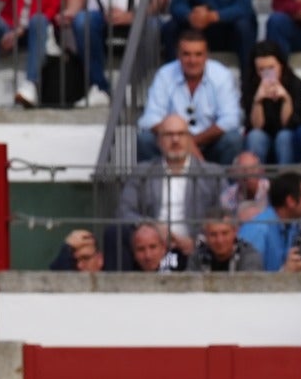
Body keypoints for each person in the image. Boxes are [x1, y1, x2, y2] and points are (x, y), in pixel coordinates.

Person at [116, 114, 224, 265]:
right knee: (114, 233)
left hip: (196, 246)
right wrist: (153, 226)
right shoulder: (142, 173)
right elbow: (124, 211)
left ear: (189, 139)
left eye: (181, 134)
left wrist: (197, 241)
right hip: (152, 246)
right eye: (169, 135)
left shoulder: (212, 174)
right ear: (159, 141)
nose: (175, 140)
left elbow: (225, 216)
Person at [66, 0, 173, 105]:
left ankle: (136, 87)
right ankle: (100, 87)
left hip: (143, 17)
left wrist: (132, 16)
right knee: (82, 21)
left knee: (153, 26)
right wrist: (70, 12)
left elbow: (159, 0)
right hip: (103, 16)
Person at [138, 28, 244, 166]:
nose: (192, 60)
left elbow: (230, 119)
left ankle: (223, 181)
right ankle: (155, 181)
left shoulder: (222, 75)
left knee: (233, 139)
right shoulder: (164, 75)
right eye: (186, 54)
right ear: (178, 55)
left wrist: (190, 142)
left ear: (207, 56)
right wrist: (181, 139)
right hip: (173, 142)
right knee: (145, 140)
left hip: (210, 142)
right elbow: (150, 119)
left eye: (198, 54)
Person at [163, 0, 257, 72]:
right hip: (197, 27)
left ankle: (247, 78)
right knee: (171, 28)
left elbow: (243, 6)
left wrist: (213, 16)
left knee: (244, 27)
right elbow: (177, 4)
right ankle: (172, 77)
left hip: (228, 28)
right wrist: (190, 15)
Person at [242, 40, 301, 166]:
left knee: (284, 136)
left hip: (287, 135)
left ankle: (285, 177)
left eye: (271, 68)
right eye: (261, 69)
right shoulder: (250, 85)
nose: (267, 73)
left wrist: (286, 99)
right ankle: (254, 177)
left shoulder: (295, 83)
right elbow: (255, 126)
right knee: (255, 136)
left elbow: (291, 124)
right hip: (263, 134)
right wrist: (257, 101)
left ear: (281, 65)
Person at [240, 170, 301, 271]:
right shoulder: (257, 230)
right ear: (291, 201)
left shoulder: (293, 226)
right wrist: (285, 273)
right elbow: (249, 277)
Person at [189, 210, 264, 271]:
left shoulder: (249, 256)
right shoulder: (197, 257)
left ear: (235, 232)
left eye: (225, 233)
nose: (219, 240)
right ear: (206, 235)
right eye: (213, 234)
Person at [222, 150, 270, 215]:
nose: (248, 174)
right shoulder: (227, 196)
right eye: (243, 170)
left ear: (261, 171)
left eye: (252, 169)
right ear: (234, 173)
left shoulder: (271, 190)